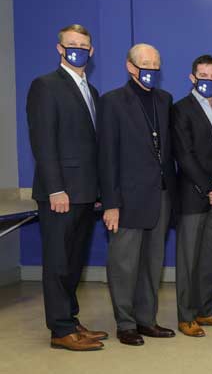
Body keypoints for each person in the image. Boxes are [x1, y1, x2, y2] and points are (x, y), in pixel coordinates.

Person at [26, 24, 107, 351]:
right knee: (58, 262)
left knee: (74, 263)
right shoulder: (45, 86)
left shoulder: (93, 91)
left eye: (83, 45)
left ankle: (71, 320)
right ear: (59, 48)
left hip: (86, 193)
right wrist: (56, 188)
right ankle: (60, 329)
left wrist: (99, 191)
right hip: (60, 194)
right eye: (71, 44)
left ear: (91, 51)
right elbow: (43, 142)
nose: (77, 49)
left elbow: (94, 145)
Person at [98, 43, 177, 346]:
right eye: (145, 64)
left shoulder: (165, 100)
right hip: (127, 200)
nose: (151, 70)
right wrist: (111, 204)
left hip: (160, 197)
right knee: (124, 264)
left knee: (152, 263)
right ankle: (126, 323)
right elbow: (107, 156)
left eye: (156, 65)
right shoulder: (113, 102)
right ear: (130, 67)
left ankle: (147, 320)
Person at [172, 55, 212, 337]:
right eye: (203, 75)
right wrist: (210, 187)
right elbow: (184, 155)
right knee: (188, 260)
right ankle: (186, 316)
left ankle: (206, 310)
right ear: (192, 77)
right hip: (192, 197)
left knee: (211, 258)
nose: (208, 80)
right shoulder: (181, 109)